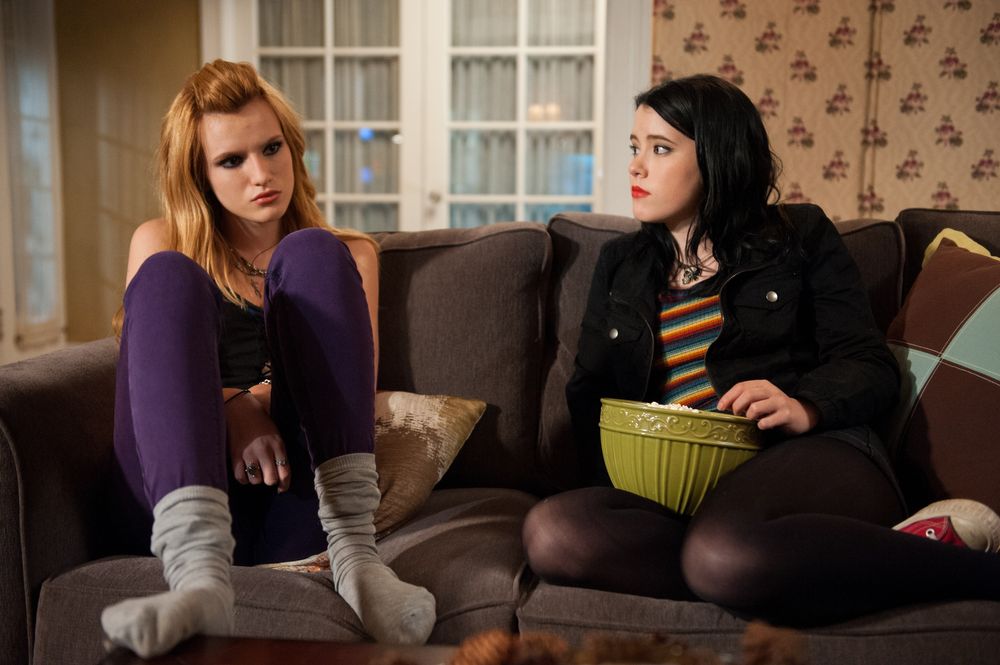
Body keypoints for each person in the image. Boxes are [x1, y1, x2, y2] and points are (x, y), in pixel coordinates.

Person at [522, 74, 1000, 625]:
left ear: (717, 157)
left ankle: (981, 574)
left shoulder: (800, 235)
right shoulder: (621, 264)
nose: (635, 167)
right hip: (683, 484)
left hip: (807, 454)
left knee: (723, 551)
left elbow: (868, 363)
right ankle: (763, 568)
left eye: (660, 149)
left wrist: (804, 405)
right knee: (554, 532)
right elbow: (591, 398)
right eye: (634, 148)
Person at [102, 59, 435, 658]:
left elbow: (350, 390)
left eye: (271, 148)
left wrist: (258, 405)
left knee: (314, 252)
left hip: (296, 502)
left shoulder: (350, 256)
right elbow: (148, 382)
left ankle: (356, 559)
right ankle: (198, 577)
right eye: (232, 160)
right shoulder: (160, 241)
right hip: (175, 495)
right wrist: (233, 408)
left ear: (293, 148)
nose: (261, 174)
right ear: (200, 175)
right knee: (167, 274)